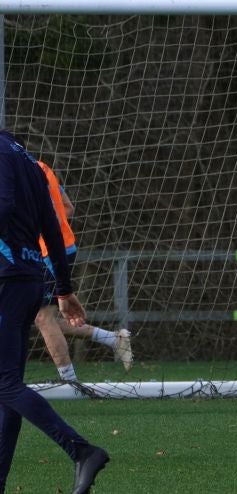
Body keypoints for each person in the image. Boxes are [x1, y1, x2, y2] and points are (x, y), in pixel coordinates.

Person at [0, 130, 109, 493]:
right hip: (30, 278)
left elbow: (3, 205)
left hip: (6, 278)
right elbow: (53, 222)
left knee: (3, 383)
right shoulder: (29, 160)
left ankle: (81, 450)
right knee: (7, 388)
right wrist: (64, 288)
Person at [33, 160, 133, 383]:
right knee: (36, 316)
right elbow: (67, 207)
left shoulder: (21, 172)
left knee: (42, 317)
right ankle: (113, 339)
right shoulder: (40, 167)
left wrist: (32, 235)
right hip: (55, 249)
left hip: (49, 251)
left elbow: (54, 215)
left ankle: (71, 383)